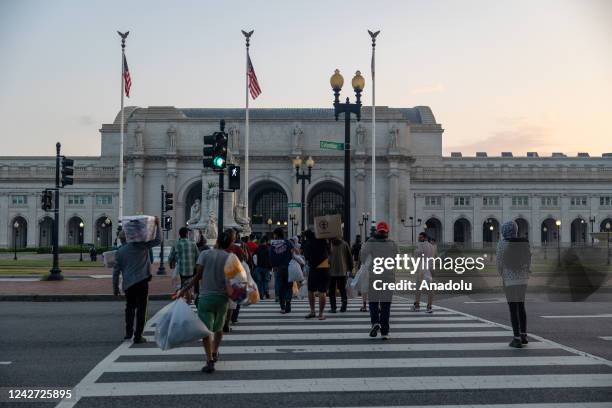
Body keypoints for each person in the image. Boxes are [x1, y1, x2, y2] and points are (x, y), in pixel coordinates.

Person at [178, 230, 236, 373]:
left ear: (217, 241)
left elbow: (197, 276)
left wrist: (185, 290)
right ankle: (215, 351)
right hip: (222, 298)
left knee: (205, 330)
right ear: (230, 243)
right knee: (219, 327)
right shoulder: (230, 257)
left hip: (206, 297)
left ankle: (209, 359)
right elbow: (232, 280)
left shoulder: (204, 254)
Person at [112, 217, 161, 344]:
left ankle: (128, 333)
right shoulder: (141, 246)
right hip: (142, 281)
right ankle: (138, 335)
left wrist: (115, 287)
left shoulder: (119, 252)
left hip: (128, 284)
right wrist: (157, 225)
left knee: (129, 308)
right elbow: (158, 240)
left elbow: (116, 272)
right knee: (142, 309)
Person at [359, 221, 398, 340]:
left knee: (373, 302)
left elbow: (362, 257)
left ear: (377, 231)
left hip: (374, 276)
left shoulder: (370, 242)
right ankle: (385, 332)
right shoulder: (392, 244)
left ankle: (375, 322)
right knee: (386, 305)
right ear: (387, 232)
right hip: (389, 277)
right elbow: (397, 259)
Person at [497, 220, 531, 348]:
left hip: (509, 280)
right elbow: (529, 259)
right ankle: (523, 335)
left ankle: (516, 338)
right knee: (521, 306)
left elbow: (499, 262)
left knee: (513, 308)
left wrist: (502, 274)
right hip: (523, 279)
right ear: (515, 230)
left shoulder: (502, 243)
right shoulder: (524, 243)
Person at [303, 229, 330, 320]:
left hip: (313, 268)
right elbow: (329, 250)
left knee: (311, 290)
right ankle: (321, 314)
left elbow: (306, 257)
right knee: (322, 291)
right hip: (324, 266)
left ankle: (312, 311)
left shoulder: (308, 243)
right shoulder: (323, 240)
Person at [168, 227, 199, 303]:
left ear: (179, 235)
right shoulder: (193, 243)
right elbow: (198, 256)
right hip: (191, 269)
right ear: (186, 234)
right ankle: (187, 300)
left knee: (185, 286)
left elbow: (170, 257)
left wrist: (171, 263)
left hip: (182, 269)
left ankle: (186, 301)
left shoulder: (177, 244)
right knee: (187, 286)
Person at [269, 227, 294, 313]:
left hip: (279, 268)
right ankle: (288, 303)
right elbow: (293, 253)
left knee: (281, 287)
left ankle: (282, 306)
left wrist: (273, 265)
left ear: (276, 234)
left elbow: (271, 255)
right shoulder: (288, 242)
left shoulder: (273, 244)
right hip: (288, 267)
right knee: (289, 286)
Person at [412, 232, 435, 313]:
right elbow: (432, 258)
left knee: (418, 288)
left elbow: (416, 255)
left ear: (425, 238)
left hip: (421, 268)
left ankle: (417, 305)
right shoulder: (432, 246)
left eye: (420, 237)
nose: (419, 238)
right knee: (430, 289)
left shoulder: (420, 245)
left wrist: (415, 251)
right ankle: (429, 306)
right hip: (429, 269)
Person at [328, 236, 353, 313]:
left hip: (331, 270)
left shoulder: (329, 244)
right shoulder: (344, 244)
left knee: (331, 290)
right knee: (342, 289)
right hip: (342, 270)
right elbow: (349, 256)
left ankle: (333, 307)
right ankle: (344, 306)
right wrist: (350, 268)